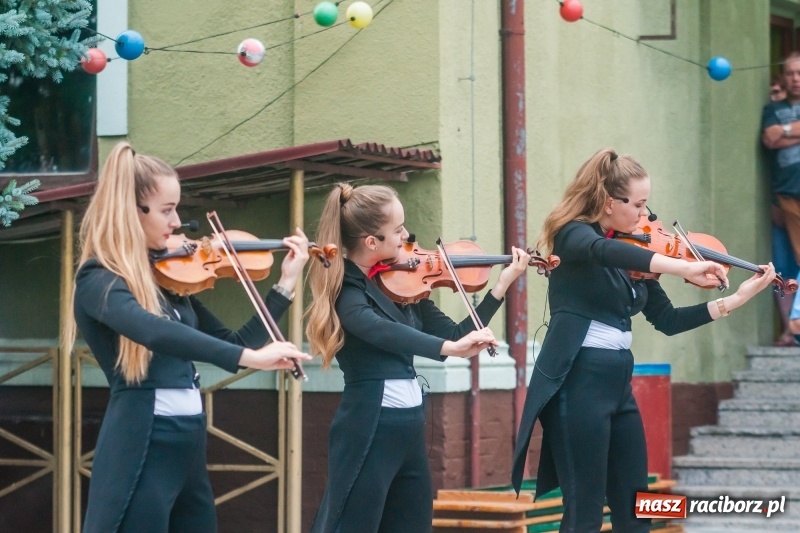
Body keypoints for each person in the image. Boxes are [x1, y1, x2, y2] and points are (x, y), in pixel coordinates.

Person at [510, 148, 777, 532]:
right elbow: (603, 251)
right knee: (583, 510)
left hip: (618, 387)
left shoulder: (637, 255)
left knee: (639, 507)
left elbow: (667, 320)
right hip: (577, 384)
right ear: (607, 202)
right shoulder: (573, 236)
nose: (646, 216)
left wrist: (736, 299)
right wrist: (683, 265)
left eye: (646, 205)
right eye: (638, 204)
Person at [63, 142, 312, 533]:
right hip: (143, 441)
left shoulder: (168, 280)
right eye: (166, 210)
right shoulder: (99, 279)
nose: (177, 221)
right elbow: (155, 332)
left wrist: (285, 283)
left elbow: (230, 338)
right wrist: (251, 358)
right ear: (131, 211)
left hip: (188, 442)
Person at [305, 183, 529, 533]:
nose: (407, 236)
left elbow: (456, 334)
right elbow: (380, 330)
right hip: (370, 425)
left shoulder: (405, 285)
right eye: (397, 230)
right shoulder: (347, 292)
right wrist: (446, 350)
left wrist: (501, 285)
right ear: (371, 242)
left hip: (409, 426)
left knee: (412, 523)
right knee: (352, 524)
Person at [764, 71, 799, 345]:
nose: (796, 78)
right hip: (784, 197)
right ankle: (791, 329)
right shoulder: (774, 109)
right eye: (790, 73)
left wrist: (784, 132)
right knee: (782, 268)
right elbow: (769, 139)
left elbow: (778, 137)